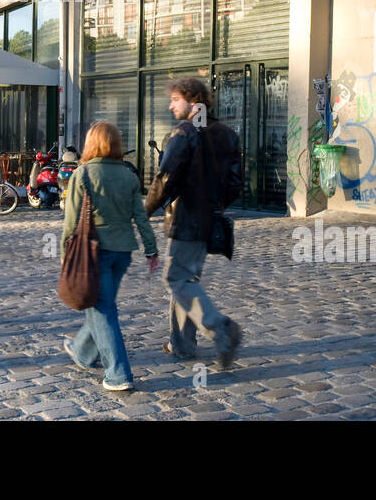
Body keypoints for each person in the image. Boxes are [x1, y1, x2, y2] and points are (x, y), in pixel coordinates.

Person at [145, 77, 244, 369]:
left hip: (187, 218)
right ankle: (183, 345)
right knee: (186, 279)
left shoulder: (185, 132)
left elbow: (166, 178)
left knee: (176, 279)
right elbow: (237, 183)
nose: (171, 104)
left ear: (193, 100)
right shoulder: (227, 134)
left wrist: (146, 209)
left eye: (176, 99)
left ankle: (219, 327)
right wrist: (214, 204)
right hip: (209, 219)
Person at [61, 121, 159, 392]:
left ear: (91, 143)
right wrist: (151, 249)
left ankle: (118, 375)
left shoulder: (82, 175)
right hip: (122, 253)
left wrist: (64, 255)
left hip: (93, 253)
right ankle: (82, 351)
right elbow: (141, 216)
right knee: (100, 303)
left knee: (103, 311)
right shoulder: (129, 175)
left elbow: (70, 222)